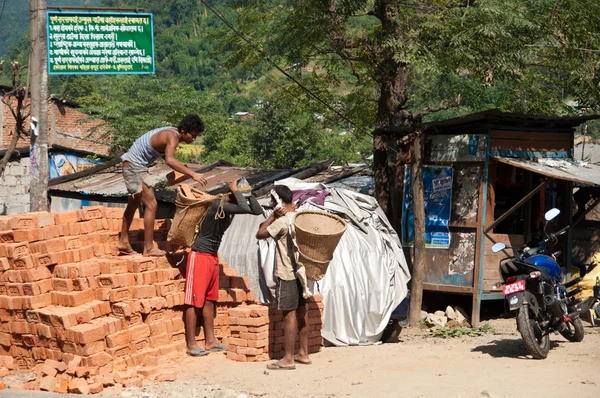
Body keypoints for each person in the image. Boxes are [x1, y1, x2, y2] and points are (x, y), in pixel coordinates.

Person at [185, 179, 263, 356]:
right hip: (199, 256)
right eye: (238, 195)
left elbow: (256, 210)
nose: (241, 199)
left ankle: (210, 341)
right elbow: (244, 207)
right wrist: (235, 189)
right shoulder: (216, 204)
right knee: (193, 300)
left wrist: (249, 193)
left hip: (212, 256)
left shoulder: (230, 207)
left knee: (209, 299)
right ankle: (191, 344)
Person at [117, 115, 208, 257]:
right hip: (135, 166)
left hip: (133, 164)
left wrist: (175, 174)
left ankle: (123, 241)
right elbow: (170, 160)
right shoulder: (173, 136)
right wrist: (192, 173)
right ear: (183, 131)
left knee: (133, 204)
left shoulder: (171, 132)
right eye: (193, 135)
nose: (194, 139)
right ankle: (148, 248)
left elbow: (159, 153)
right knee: (152, 205)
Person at [256, 185, 310, 370]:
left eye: (272, 201)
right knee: (302, 313)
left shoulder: (282, 221)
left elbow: (260, 234)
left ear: (277, 201)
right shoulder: (298, 217)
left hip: (287, 273)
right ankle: (303, 353)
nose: (270, 204)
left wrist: (273, 216)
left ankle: (288, 359)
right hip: (302, 273)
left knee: (290, 315)